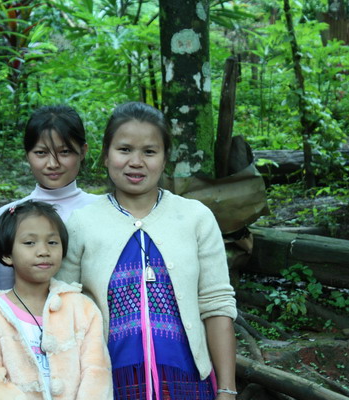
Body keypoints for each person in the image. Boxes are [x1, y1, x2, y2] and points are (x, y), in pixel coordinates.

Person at [57, 102, 238, 400]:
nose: (136, 162)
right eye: (124, 149)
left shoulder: (195, 218)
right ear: (105, 155)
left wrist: (227, 390)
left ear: (165, 158)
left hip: (187, 382)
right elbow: (63, 310)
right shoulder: (81, 223)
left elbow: (216, 305)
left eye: (149, 151)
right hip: (106, 386)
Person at [0, 200, 113, 400]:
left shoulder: (82, 308)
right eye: (29, 243)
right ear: (7, 254)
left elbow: (96, 373)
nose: (43, 251)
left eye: (52, 242)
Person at [0, 105, 99, 290]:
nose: (52, 164)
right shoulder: (10, 215)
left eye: (64, 152)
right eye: (41, 153)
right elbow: (3, 289)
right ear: (27, 154)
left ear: (83, 151)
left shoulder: (103, 210)